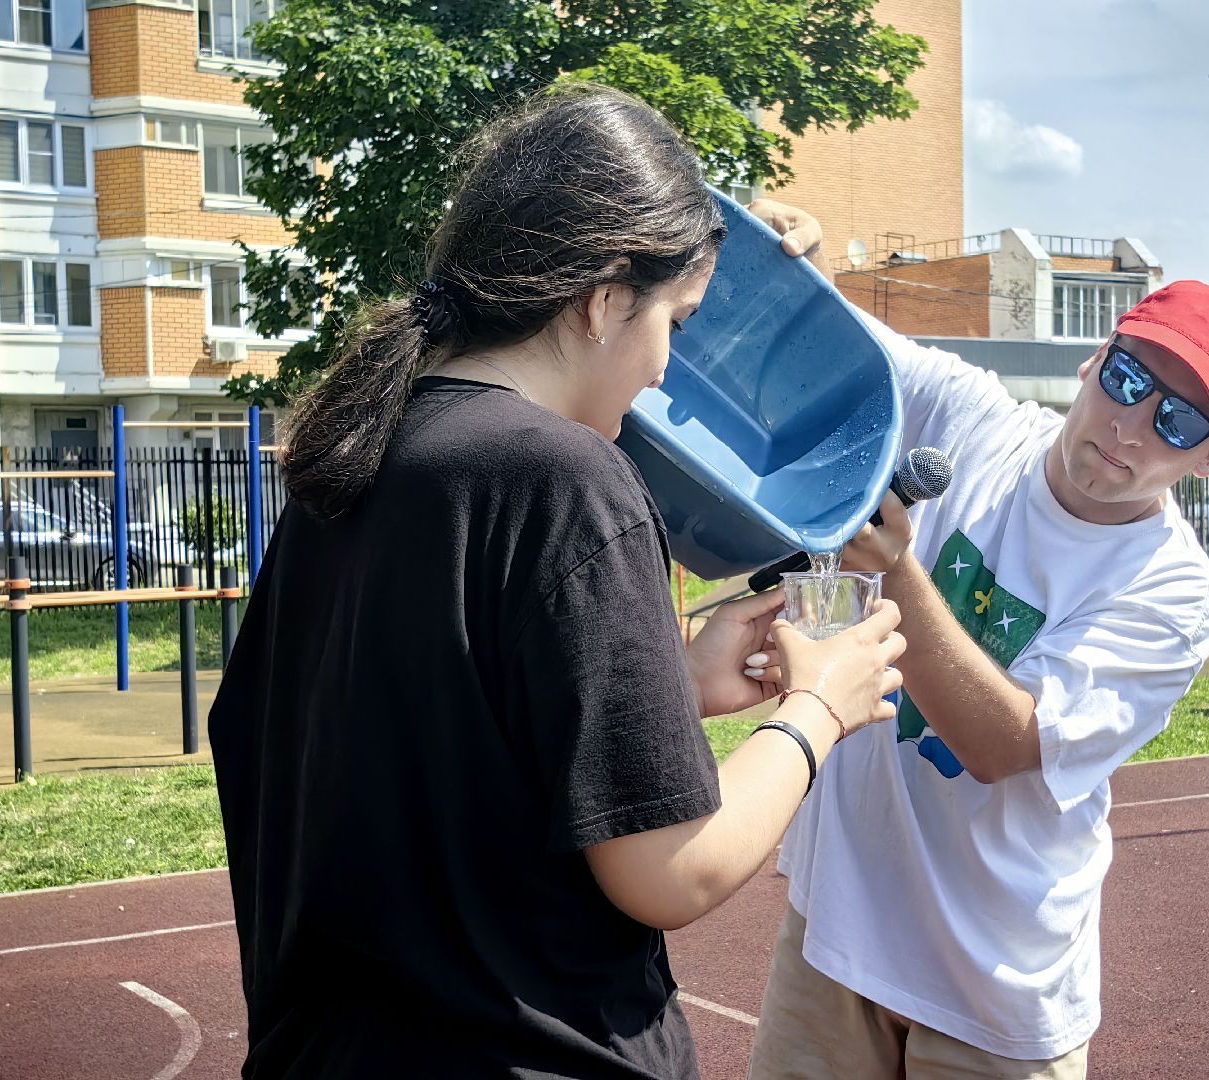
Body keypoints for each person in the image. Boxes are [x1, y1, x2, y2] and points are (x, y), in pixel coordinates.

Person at [208, 90, 906, 1080]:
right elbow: (673, 868)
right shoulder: (568, 478)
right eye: (678, 319)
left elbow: (425, 741)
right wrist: (816, 709)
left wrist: (666, 682)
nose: (665, 369)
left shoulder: (358, 457)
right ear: (606, 295)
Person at [742, 201, 1209, 1079]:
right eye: (1133, 381)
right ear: (1096, 357)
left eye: (1179, 423)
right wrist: (797, 264)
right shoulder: (977, 419)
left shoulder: (1173, 592)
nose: (1132, 429)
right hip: (836, 933)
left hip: (991, 989)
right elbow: (845, 348)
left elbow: (1002, 742)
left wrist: (901, 574)